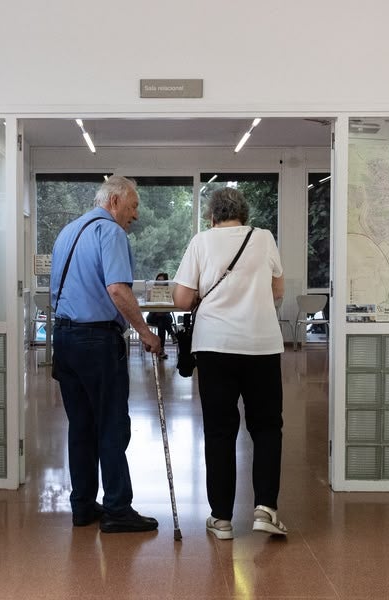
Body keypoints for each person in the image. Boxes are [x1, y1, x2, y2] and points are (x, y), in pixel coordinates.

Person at [172, 187, 288, 540]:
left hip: (215, 347)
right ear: (245, 214)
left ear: (212, 217)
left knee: (220, 431)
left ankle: (221, 518)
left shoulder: (201, 242)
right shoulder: (264, 238)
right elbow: (278, 290)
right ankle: (265, 508)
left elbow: (180, 298)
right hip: (262, 345)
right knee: (266, 427)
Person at [50, 175, 162, 534]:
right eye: (133, 206)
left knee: (81, 425)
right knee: (112, 425)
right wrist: (146, 333)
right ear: (114, 201)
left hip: (64, 339)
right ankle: (117, 508)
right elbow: (117, 289)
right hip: (96, 341)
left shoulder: (69, 231)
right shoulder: (111, 232)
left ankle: (83, 505)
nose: (136, 215)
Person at [145, 272, 175, 359]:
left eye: (162, 281)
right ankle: (171, 333)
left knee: (162, 321)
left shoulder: (169, 291)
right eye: (158, 280)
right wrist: (149, 294)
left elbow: (171, 305)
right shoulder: (151, 290)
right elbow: (147, 304)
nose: (159, 282)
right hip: (152, 316)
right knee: (162, 320)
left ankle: (160, 350)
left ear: (165, 282)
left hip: (165, 316)